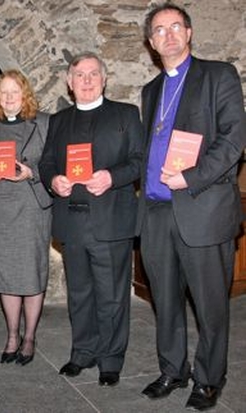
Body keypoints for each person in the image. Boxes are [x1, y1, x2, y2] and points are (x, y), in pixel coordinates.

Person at [137, 3, 246, 410]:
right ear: (151, 42)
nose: (168, 35)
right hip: (156, 212)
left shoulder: (218, 75)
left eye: (175, 27)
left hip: (202, 208)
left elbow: (234, 139)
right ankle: (172, 369)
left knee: (210, 304)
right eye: (159, 30)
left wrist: (192, 176)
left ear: (189, 32)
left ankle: (208, 379)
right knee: (164, 300)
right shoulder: (151, 91)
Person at [39, 52, 143, 387]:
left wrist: (112, 177)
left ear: (104, 79)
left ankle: (111, 359)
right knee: (80, 293)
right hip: (72, 222)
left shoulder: (126, 114)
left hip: (110, 220)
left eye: (93, 74)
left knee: (112, 295)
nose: (86, 80)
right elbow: (47, 163)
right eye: (79, 75)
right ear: (69, 82)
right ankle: (82, 352)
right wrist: (54, 180)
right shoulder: (58, 121)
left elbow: (140, 161)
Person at [0, 70, 52, 366]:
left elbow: (54, 162)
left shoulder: (44, 123)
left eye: (14, 92)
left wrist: (33, 174)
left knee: (32, 272)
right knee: (6, 275)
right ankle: (11, 334)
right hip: (0, 208)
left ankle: (29, 336)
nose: (8, 98)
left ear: (25, 95)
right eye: (3, 93)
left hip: (32, 207)